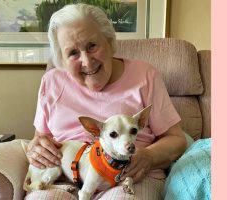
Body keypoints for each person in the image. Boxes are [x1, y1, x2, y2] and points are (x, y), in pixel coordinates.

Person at [25, 3, 186, 200]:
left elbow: (177, 140)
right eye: (73, 53)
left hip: (129, 175)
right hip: (64, 177)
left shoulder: (145, 75)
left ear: (109, 42)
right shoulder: (51, 82)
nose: (86, 61)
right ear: (62, 59)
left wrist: (149, 157)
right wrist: (36, 148)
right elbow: (40, 138)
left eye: (92, 46)